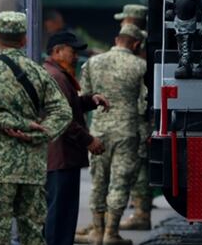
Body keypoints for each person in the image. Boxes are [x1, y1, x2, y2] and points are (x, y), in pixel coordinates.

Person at [0, 12, 72, 245]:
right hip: (32, 169)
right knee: (33, 235)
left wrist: (16, 125)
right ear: (25, 39)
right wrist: (38, 132)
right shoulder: (38, 72)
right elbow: (63, 112)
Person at [80, 24, 148, 245]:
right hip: (127, 132)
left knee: (98, 182)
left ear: (117, 39)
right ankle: (111, 233)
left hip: (98, 131)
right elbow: (144, 104)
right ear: (136, 44)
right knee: (119, 183)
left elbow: (84, 98)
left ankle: (97, 232)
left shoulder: (92, 63)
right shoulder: (140, 66)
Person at [45, 30, 110, 245]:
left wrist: (90, 101)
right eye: (72, 51)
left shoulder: (59, 75)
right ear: (57, 51)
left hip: (63, 157)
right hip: (60, 157)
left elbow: (70, 107)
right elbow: (63, 119)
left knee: (62, 213)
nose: (75, 56)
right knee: (60, 215)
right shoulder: (56, 77)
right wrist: (88, 140)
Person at [112, 5, 154, 232]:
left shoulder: (141, 49)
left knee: (138, 167)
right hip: (137, 117)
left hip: (136, 118)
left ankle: (140, 212)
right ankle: (138, 210)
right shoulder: (144, 46)